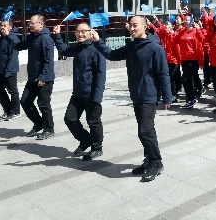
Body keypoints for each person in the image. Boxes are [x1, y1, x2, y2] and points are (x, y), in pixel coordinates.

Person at [91, 16, 172, 182]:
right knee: (144, 131)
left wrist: (167, 97)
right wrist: (98, 41)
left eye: (135, 25)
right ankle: (149, 160)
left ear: (144, 27)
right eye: (130, 26)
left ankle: (156, 162)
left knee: (145, 130)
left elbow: (163, 74)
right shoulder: (131, 46)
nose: (132, 28)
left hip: (149, 95)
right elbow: (111, 55)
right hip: (136, 94)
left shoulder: (155, 48)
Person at [52, 22, 106, 160]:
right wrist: (57, 35)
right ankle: (86, 140)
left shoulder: (96, 49)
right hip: (77, 93)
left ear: (90, 32)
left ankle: (97, 148)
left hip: (91, 94)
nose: (80, 34)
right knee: (69, 119)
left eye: (83, 31)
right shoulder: (77, 48)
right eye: (77, 32)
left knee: (93, 122)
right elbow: (64, 50)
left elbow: (101, 75)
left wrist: (97, 96)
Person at [14, 14, 55, 140]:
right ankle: (38, 124)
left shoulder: (46, 38)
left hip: (44, 78)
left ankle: (49, 129)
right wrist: (9, 36)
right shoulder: (33, 37)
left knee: (43, 104)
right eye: (29, 23)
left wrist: (43, 77)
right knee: (25, 101)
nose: (30, 25)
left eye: (32, 23)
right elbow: (20, 46)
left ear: (41, 24)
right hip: (32, 77)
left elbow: (48, 60)